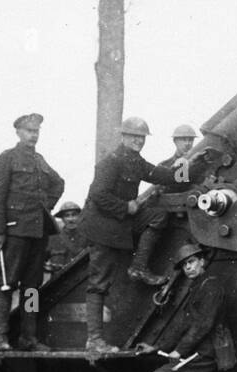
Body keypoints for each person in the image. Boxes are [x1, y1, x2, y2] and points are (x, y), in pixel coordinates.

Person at [79, 116, 186, 353]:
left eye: (142, 137)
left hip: (119, 225)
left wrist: (188, 166)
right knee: (99, 282)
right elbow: (98, 195)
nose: (138, 141)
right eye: (134, 136)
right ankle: (94, 340)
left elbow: (161, 175)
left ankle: (138, 267)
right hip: (103, 228)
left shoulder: (135, 161)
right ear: (124, 137)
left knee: (157, 216)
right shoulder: (111, 162)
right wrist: (125, 207)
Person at [0, 112, 66, 352]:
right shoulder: (7, 158)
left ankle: (28, 337)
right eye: (29, 131)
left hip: (37, 233)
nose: (34, 135)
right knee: (7, 284)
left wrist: (46, 206)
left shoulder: (40, 160)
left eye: (37, 131)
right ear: (18, 132)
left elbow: (58, 183)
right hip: (14, 232)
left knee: (32, 288)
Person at [138, 243, 232, 372]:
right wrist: (157, 346)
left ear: (202, 261)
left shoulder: (211, 286)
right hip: (199, 352)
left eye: (191, 261)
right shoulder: (198, 286)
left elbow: (203, 325)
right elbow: (184, 324)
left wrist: (179, 350)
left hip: (208, 353)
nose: (188, 267)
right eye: (184, 265)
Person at [46, 201, 86, 275]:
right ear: (62, 218)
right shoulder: (53, 238)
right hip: (61, 282)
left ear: (80, 216)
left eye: (74, 215)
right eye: (67, 216)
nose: (70, 219)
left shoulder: (88, 237)